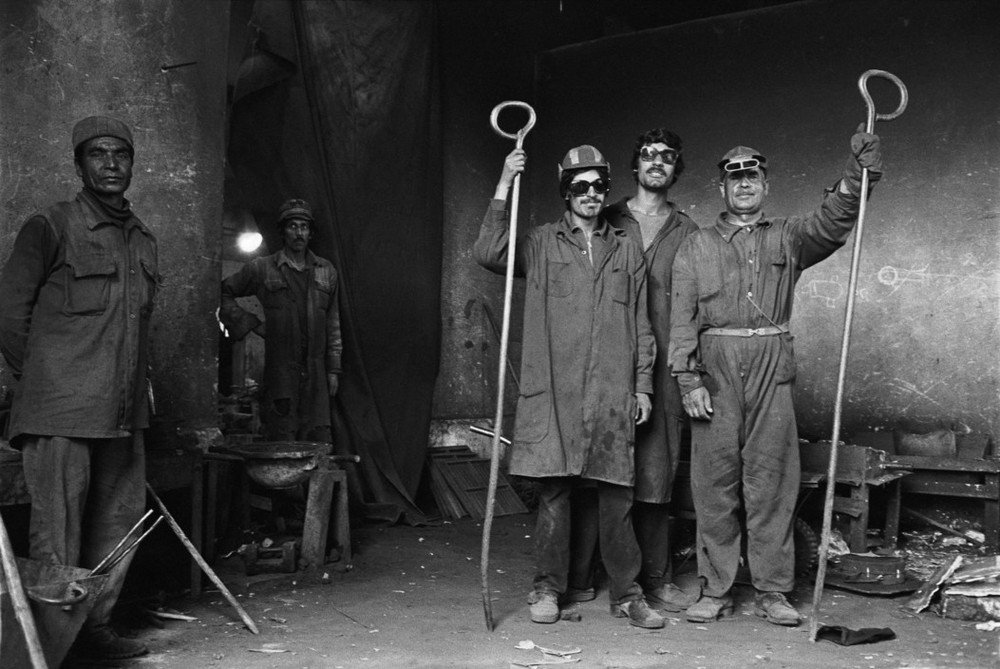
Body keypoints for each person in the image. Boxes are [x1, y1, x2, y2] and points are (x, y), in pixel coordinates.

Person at [668, 130, 883, 626]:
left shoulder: (789, 235)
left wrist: (857, 174)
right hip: (714, 366)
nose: (744, 184)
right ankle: (715, 588)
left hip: (771, 362)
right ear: (721, 189)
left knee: (772, 483)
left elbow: (835, 221)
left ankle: (772, 591)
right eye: (735, 178)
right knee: (715, 484)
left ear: (765, 185)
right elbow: (681, 318)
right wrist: (688, 380)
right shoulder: (695, 246)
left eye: (753, 176)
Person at [473, 144, 663, 629]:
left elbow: (641, 323)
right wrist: (503, 182)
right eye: (580, 186)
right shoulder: (539, 242)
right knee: (556, 496)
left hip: (610, 392)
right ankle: (547, 589)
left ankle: (628, 594)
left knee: (617, 496)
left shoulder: (626, 247)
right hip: (555, 392)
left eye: (599, 185)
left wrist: (642, 386)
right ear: (566, 191)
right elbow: (488, 251)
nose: (592, 194)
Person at [0, 116, 158, 660]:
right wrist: (45, 382)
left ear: (133, 164)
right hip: (61, 410)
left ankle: (93, 631)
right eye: (98, 154)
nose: (111, 164)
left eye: (121, 154)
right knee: (58, 533)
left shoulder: (142, 238)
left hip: (122, 411)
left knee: (117, 524)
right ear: (79, 164)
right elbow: (8, 311)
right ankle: (49, 644)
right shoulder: (51, 224)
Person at [599, 128, 700, 612]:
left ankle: (656, 579)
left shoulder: (689, 231)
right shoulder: (605, 218)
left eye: (666, 157)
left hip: (664, 367)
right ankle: (592, 574)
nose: (656, 162)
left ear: (675, 168)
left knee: (656, 470)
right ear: (634, 165)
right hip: (606, 358)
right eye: (647, 155)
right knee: (601, 467)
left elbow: (703, 302)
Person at [220, 198, 342, 442]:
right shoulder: (263, 268)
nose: (299, 232)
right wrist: (251, 323)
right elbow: (223, 292)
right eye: (293, 226)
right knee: (281, 437)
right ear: (282, 231)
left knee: (318, 438)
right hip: (280, 372)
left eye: (304, 227)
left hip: (316, 371)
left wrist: (334, 369)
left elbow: (333, 322)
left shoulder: (326, 271)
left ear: (310, 233)